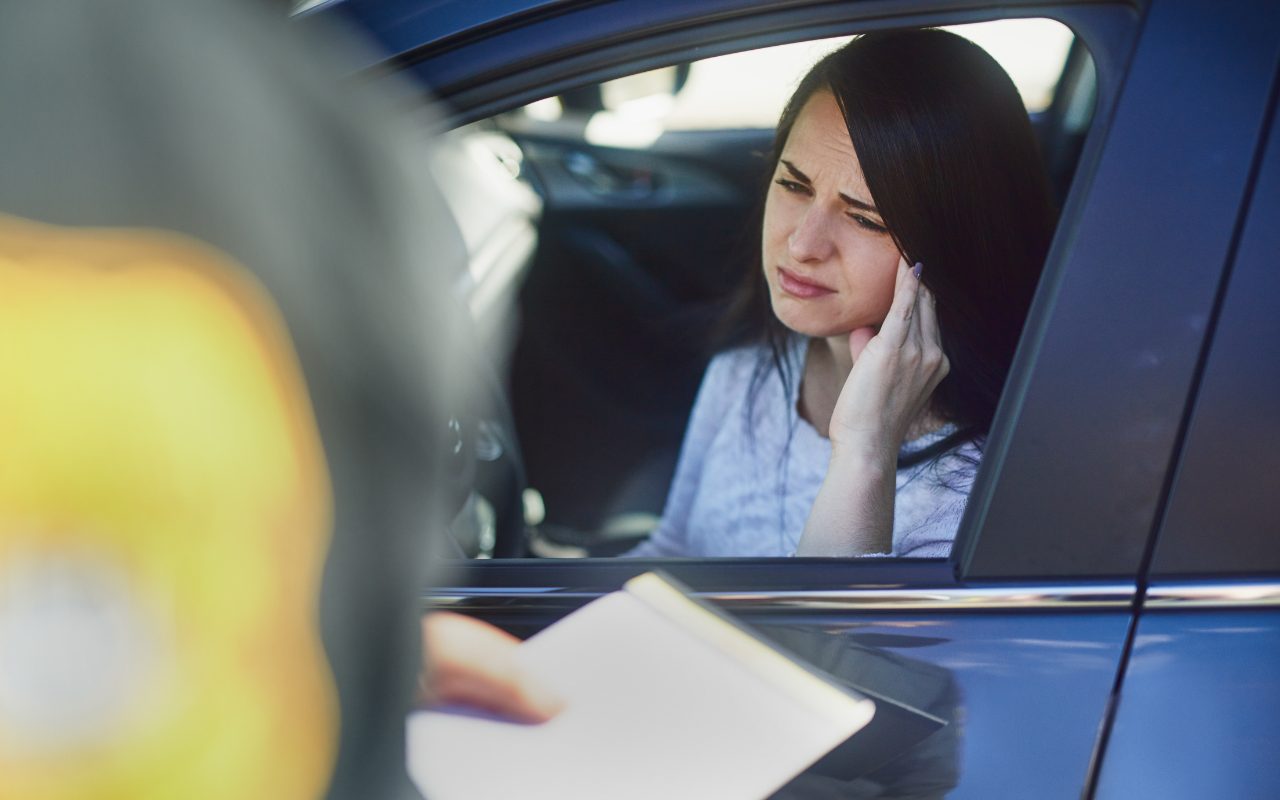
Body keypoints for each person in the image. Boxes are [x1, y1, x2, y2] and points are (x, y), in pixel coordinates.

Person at [628, 28, 1056, 558]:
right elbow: (673, 552)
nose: (803, 244)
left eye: (865, 219)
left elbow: (827, 642)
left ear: (954, 246)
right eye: (792, 185)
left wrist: (864, 452)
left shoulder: (975, 494)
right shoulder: (746, 374)